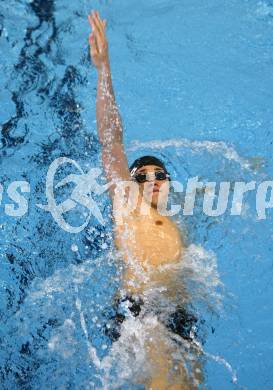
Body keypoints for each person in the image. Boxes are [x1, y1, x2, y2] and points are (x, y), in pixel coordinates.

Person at [88, 10, 203, 389]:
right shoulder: (129, 205)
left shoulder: (178, 218)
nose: (152, 180)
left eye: (160, 175)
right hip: (142, 309)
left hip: (178, 313)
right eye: (143, 176)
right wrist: (104, 69)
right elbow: (111, 138)